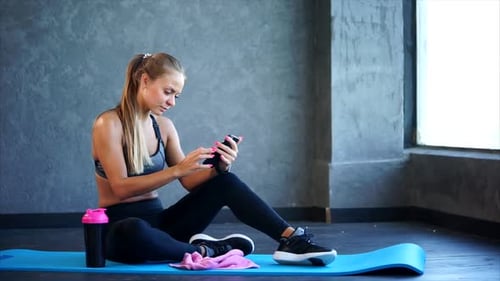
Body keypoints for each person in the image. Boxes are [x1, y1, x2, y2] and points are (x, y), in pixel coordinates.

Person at [91, 52, 337, 266]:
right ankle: (210, 250)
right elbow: (121, 188)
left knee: (225, 182)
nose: (172, 102)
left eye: (177, 95)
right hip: (120, 228)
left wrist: (219, 167)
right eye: (168, 92)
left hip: (163, 225)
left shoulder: (164, 127)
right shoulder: (109, 124)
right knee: (134, 231)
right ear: (144, 81)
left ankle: (291, 239)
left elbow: (189, 181)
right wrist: (177, 170)